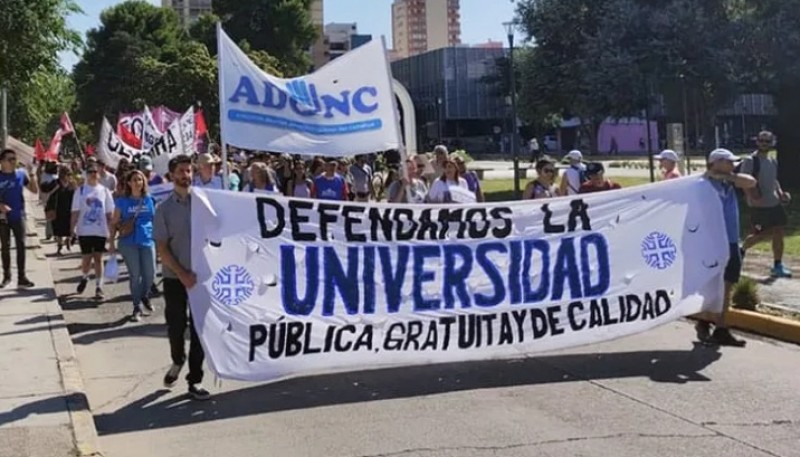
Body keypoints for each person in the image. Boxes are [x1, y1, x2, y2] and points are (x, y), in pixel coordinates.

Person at [153, 155, 209, 400]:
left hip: (201, 278)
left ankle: (194, 380)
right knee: (176, 328)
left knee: (199, 330)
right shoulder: (163, 209)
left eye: (189, 171)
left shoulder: (204, 204)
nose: (186, 175)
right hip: (175, 278)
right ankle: (178, 360)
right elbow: (162, 248)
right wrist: (182, 274)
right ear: (172, 175)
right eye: (181, 171)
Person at [695, 149, 757, 346]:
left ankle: (711, 324)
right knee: (715, 284)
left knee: (727, 284)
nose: (733, 165)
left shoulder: (727, 181)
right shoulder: (702, 184)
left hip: (731, 240)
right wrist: (710, 175)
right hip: (712, 241)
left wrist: (727, 175)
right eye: (729, 162)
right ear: (716, 162)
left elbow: (751, 182)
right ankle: (716, 325)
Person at [740, 131, 792, 278]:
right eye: (761, 140)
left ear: (772, 143)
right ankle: (742, 249)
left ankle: (777, 265)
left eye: (767, 141)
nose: (764, 143)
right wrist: (752, 196)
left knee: (779, 231)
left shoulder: (772, 161)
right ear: (757, 142)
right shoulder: (751, 160)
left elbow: (774, 181)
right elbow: (744, 181)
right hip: (759, 206)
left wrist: (781, 194)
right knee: (761, 234)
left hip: (774, 203)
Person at [110, 170, 157, 322]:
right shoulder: (122, 201)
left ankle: (144, 295)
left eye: (140, 180)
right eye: (134, 180)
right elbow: (114, 222)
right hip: (128, 242)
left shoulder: (149, 200)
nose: (138, 183)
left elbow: (154, 220)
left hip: (147, 240)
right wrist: (111, 241)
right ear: (129, 183)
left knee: (150, 274)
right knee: (135, 275)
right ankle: (136, 306)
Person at [70, 162, 115, 300]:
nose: (93, 174)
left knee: (98, 258)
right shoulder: (81, 190)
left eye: (95, 172)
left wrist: (111, 233)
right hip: (84, 230)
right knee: (86, 259)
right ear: (86, 174)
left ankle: (99, 286)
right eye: (90, 172)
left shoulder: (105, 191)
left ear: (99, 174)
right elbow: (75, 211)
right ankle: (84, 277)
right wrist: (71, 229)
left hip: (100, 230)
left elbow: (109, 213)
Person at [0, 148, 38, 288]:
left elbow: (34, 190)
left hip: (19, 215)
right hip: (3, 218)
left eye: (15, 159)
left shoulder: (21, 174)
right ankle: (6, 276)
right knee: (5, 247)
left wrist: (33, 174)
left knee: (21, 246)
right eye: (10, 159)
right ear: (2, 162)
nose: (14, 162)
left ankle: (22, 277)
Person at [45, 166, 76, 256]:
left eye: (70, 174)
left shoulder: (72, 184)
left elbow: (77, 195)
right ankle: (59, 246)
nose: (69, 176)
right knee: (58, 229)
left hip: (69, 209)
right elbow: (47, 191)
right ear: (62, 175)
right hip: (57, 209)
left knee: (69, 227)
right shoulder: (55, 183)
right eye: (67, 174)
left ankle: (68, 240)